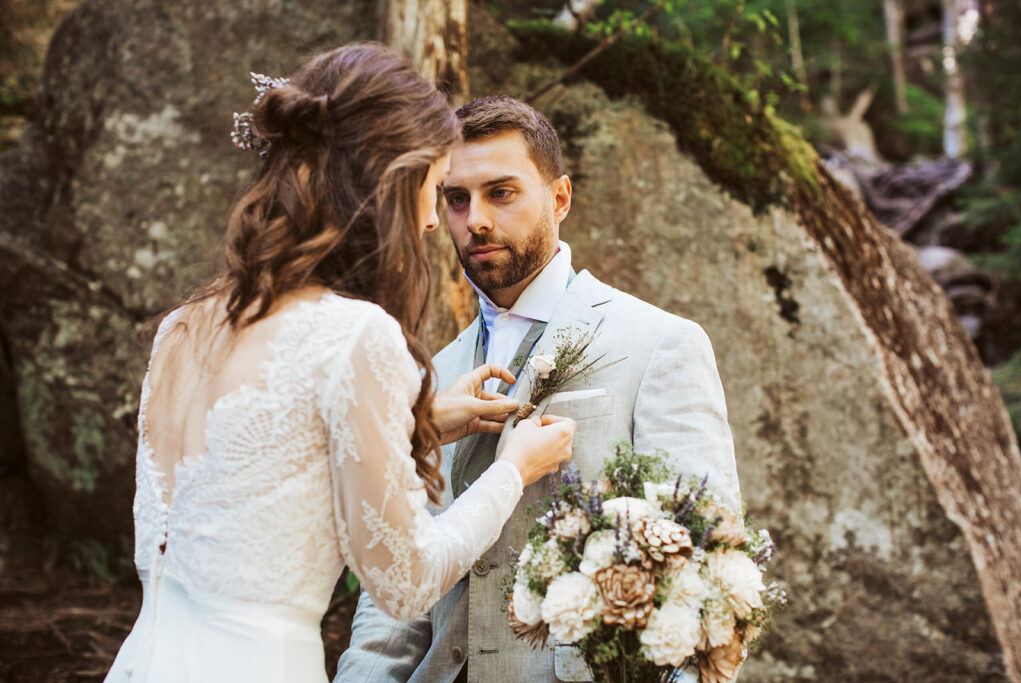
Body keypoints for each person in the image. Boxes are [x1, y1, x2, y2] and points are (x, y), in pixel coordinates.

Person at [104, 45, 575, 683]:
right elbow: (406, 583)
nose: (437, 220)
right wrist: (513, 472)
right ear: (386, 182)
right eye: (434, 189)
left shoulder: (183, 327)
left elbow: (249, 478)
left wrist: (420, 423)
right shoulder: (357, 337)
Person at [336, 95, 742, 683]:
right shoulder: (431, 374)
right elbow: (395, 591)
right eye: (456, 198)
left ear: (560, 198)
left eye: (501, 193)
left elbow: (709, 569)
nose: (475, 219)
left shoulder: (660, 344)